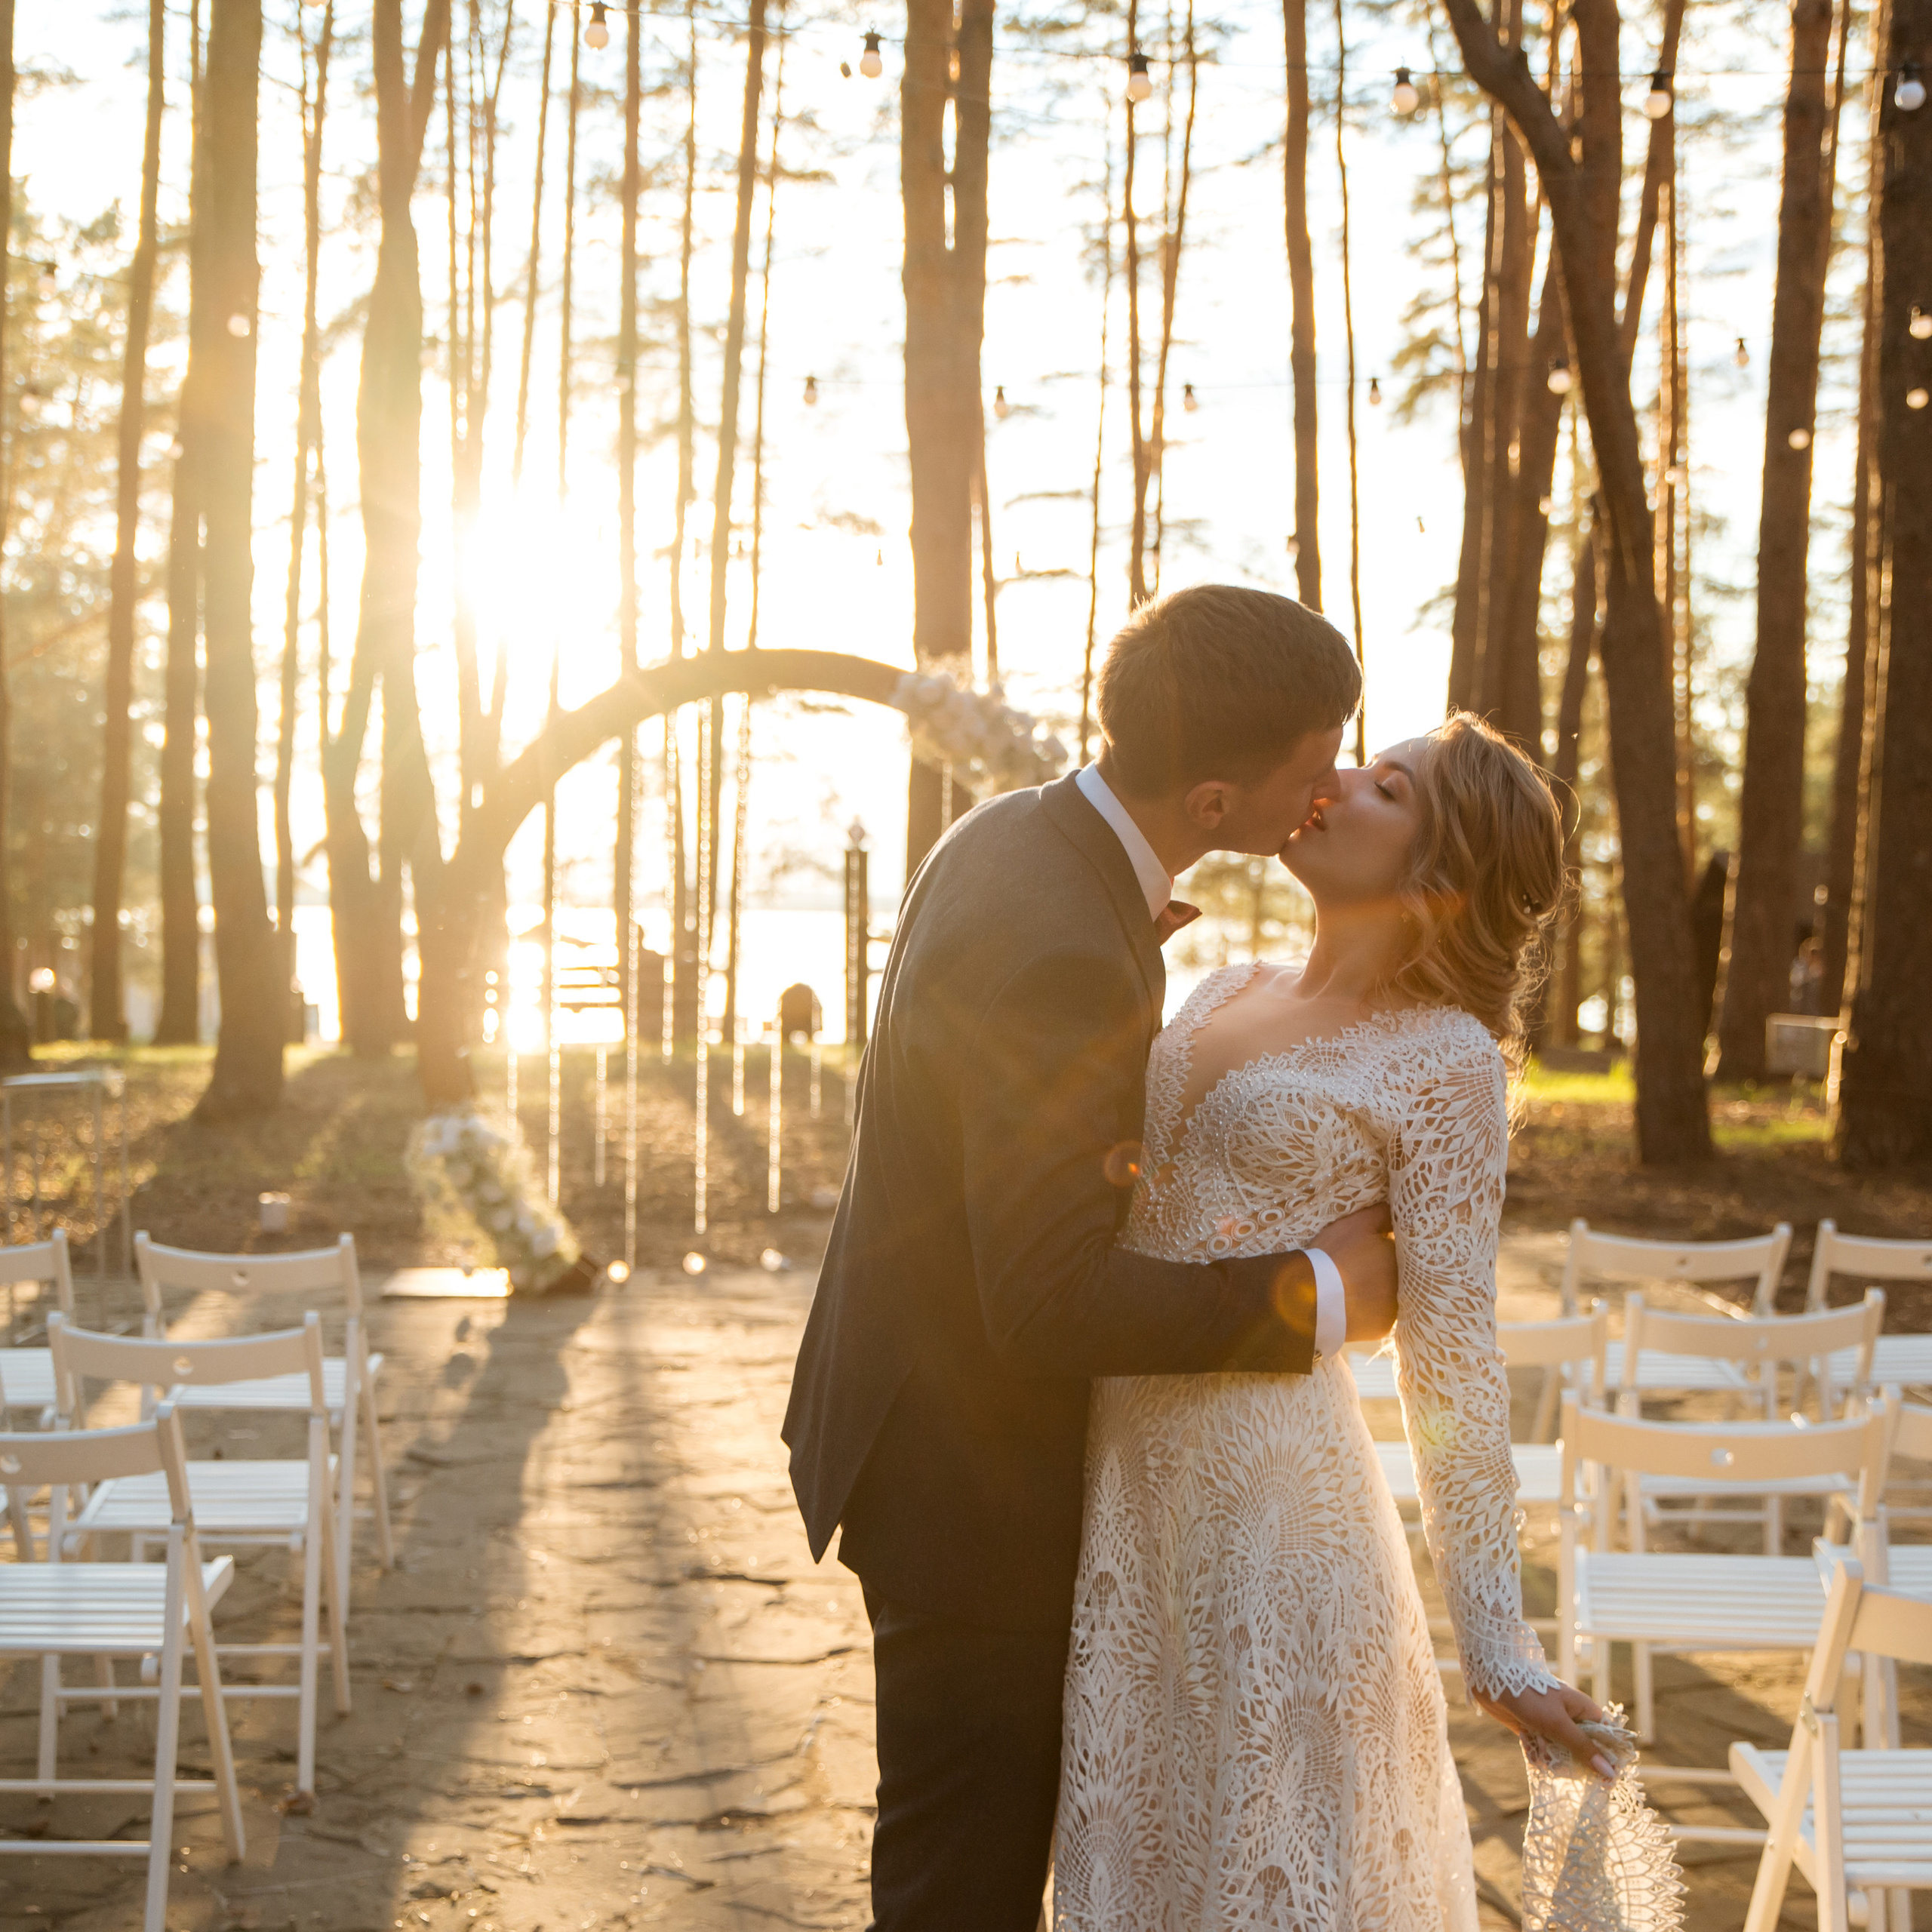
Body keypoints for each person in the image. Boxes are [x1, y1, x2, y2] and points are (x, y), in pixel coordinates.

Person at [783, 586, 1401, 1932]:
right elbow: (1048, 1296)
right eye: (1318, 757)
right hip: (967, 1483)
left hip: (924, 1426)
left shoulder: (1014, 830)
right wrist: (1324, 1295)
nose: (1333, 786)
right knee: (965, 1885)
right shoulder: (1060, 941)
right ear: (1220, 800)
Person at [1054, 710, 1635, 1930]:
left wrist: (1497, 1646)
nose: (1332, 787)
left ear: (1441, 873)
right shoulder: (1218, 982)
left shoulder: (1446, 1062)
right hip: (1122, 1492)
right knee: (1135, 1856)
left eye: (1385, 788)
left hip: (1275, 1518)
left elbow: (1455, 1358)